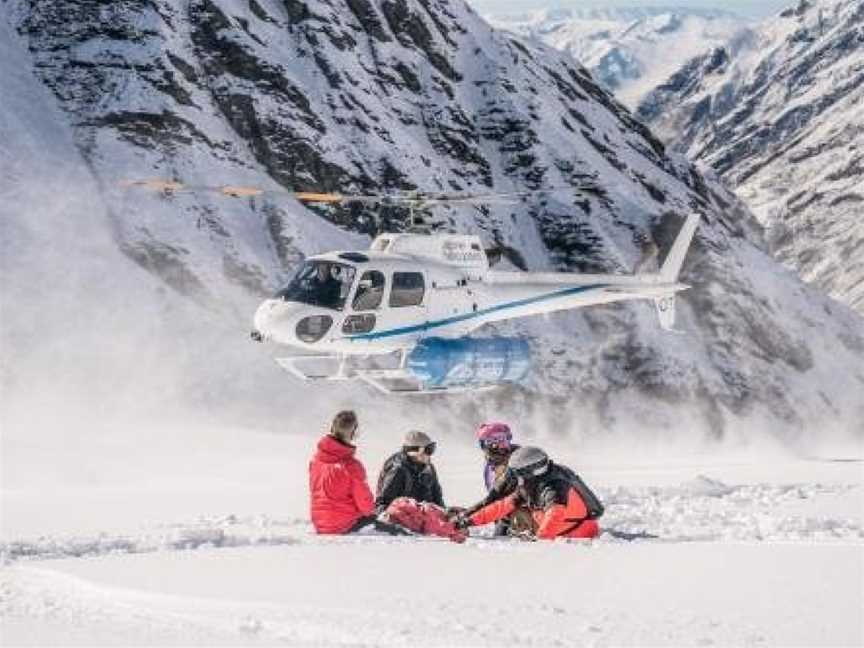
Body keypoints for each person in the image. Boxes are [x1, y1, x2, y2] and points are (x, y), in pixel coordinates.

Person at [456, 446, 604, 540]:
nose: (515, 478)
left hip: (577, 534)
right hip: (561, 531)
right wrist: (468, 521)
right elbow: (500, 507)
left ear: (528, 472)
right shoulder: (530, 486)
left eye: (517, 473)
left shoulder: (553, 487)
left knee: (520, 514)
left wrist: (539, 542)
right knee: (513, 511)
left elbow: (555, 516)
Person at [308, 410, 406, 535]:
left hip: (320, 524)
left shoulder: (316, 461)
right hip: (345, 524)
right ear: (353, 432)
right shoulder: (351, 466)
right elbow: (366, 507)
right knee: (399, 532)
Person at [461, 422, 534, 537]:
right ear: (483, 444)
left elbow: (494, 498)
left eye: (503, 439)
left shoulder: (518, 461)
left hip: (524, 517)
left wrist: (466, 516)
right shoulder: (491, 465)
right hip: (502, 513)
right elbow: (494, 498)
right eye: (493, 440)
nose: (500, 445)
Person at [375, 430, 445, 512]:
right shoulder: (398, 471)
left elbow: (438, 499)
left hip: (425, 516)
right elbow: (383, 504)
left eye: (432, 449)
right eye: (428, 450)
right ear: (415, 451)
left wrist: (444, 515)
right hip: (403, 519)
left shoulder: (428, 468)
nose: (430, 455)